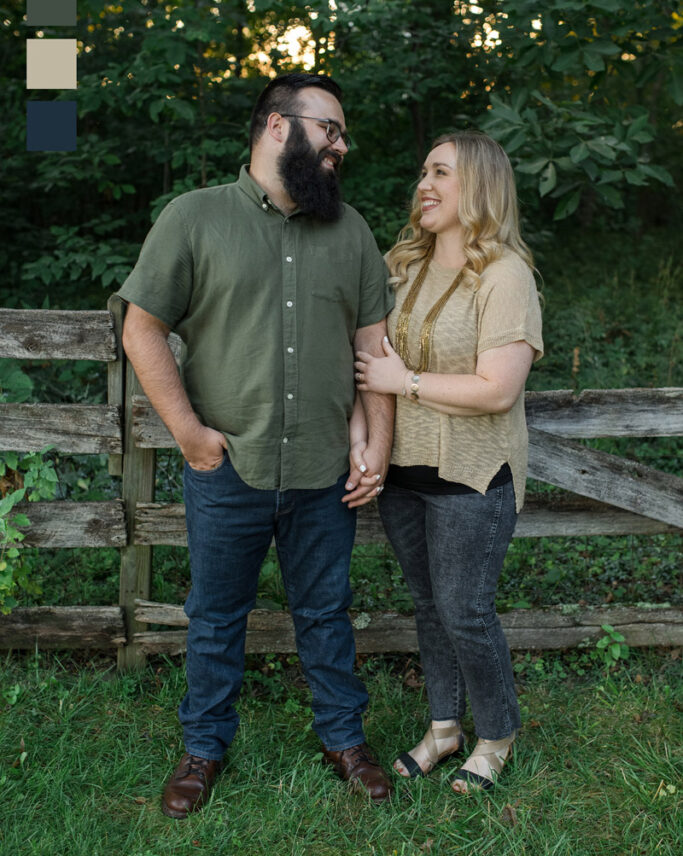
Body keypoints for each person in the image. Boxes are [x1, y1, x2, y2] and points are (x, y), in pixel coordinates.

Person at [118, 73, 396, 817]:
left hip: (323, 472)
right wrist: (188, 434)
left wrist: (379, 449)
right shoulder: (193, 218)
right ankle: (203, 748)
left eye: (342, 134)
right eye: (329, 129)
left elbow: (375, 352)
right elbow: (141, 326)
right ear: (277, 126)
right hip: (227, 467)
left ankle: (345, 740)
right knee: (214, 616)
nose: (341, 145)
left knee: (326, 611)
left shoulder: (352, 231)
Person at [354, 129, 543, 793]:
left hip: (471, 477)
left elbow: (497, 389)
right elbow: (362, 369)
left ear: (481, 187)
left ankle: (496, 733)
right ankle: (442, 728)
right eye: (423, 172)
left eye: (441, 173)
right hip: (402, 476)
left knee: (464, 610)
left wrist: (401, 383)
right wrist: (364, 440)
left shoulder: (504, 276)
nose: (423, 186)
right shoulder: (398, 265)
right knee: (428, 607)